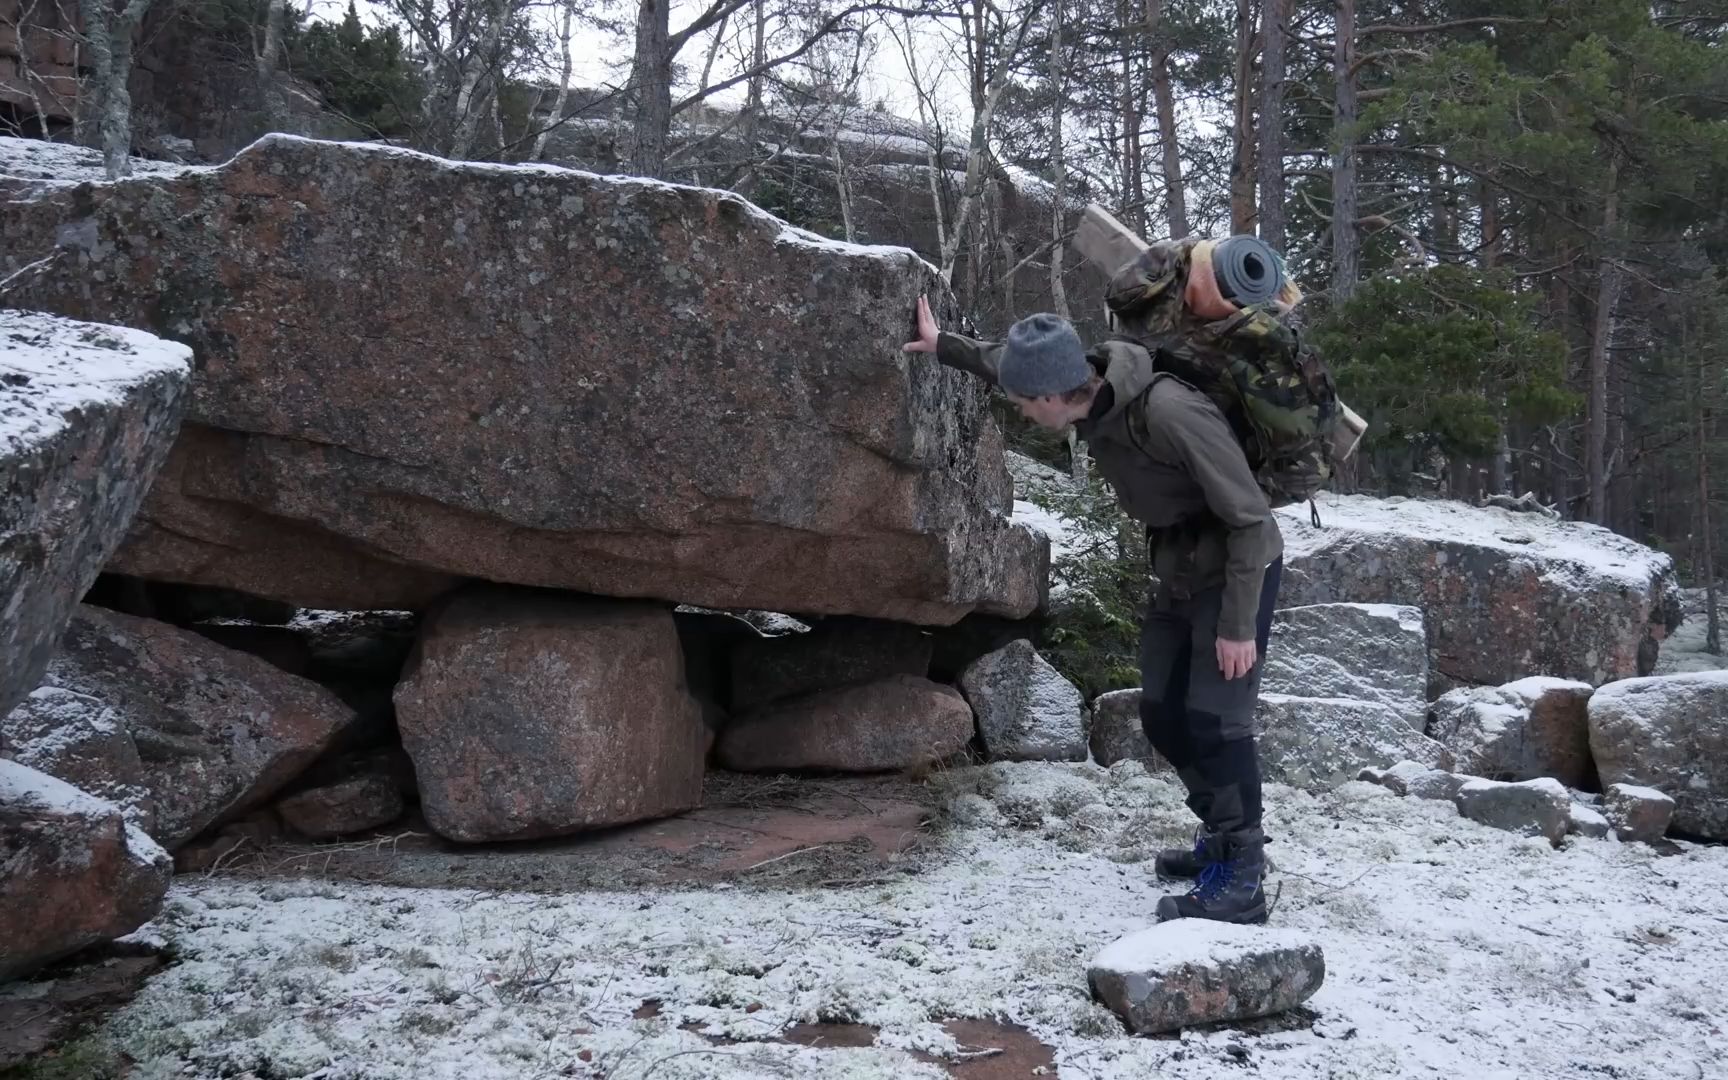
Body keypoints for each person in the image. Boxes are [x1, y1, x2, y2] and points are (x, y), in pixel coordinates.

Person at [903, 294, 1283, 925]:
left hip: (1238, 569)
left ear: (1055, 393)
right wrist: (944, 345)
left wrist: (1239, 625)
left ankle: (1242, 873)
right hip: (1180, 568)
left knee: (1219, 723)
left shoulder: (1169, 412)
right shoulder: (1075, 384)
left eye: (1026, 404)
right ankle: (1220, 834)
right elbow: (1006, 363)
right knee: (1163, 713)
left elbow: (1251, 520)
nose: (1022, 412)